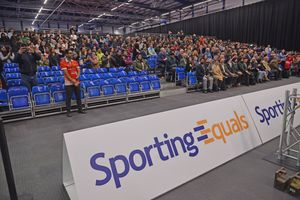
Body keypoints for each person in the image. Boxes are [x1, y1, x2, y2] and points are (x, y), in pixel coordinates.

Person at [60, 50, 86, 117]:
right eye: (70, 53)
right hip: (68, 82)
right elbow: (66, 73)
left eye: (72, 53)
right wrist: (73, 81)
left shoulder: (75, 62)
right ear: (66, 54)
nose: (71, 54)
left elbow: (79, 70)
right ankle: (68, 111)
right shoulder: (63, 62)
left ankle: (80, 109)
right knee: (69, 97)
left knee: (78, 96)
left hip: (76, 81)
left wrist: (77, 77)